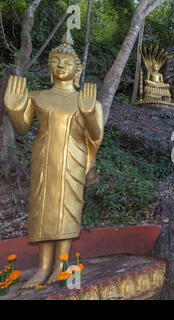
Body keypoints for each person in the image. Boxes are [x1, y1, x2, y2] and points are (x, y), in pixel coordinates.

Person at [4, 33, 104, 288]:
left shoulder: (87, 100)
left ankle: (60, 265)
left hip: (72, 159)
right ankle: (42, 266)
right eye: (56, 60)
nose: (60, 65)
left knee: (66, 211)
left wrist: (89, 113)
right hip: (43, 158)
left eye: (67, 62)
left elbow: (94, 135)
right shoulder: (38, 96)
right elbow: (23, 128)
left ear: (76, 70)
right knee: (43, 209)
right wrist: (15, 111)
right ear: (49, 66)